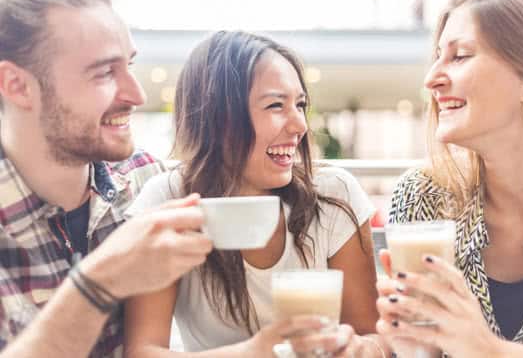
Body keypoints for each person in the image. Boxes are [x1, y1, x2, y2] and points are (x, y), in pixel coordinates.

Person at [123, 31, 387, 357]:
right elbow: (142, 352)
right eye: (276, 105)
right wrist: (257, 352)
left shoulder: (334, 195)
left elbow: (373, 338)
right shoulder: (169, 200)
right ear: (218, 118)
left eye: (300, 104)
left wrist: (359, 350)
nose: (299, 125)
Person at [0, 0, 213, 357]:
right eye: (103, 73)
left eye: (129, 65)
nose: (137, 94)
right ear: (17, 86)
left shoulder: (148, 180)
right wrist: (97, 284)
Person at [375, 0, 523, 357]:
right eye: (437, 56)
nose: (431, 79)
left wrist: (489, 350)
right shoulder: (422, 197)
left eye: (460, 56)